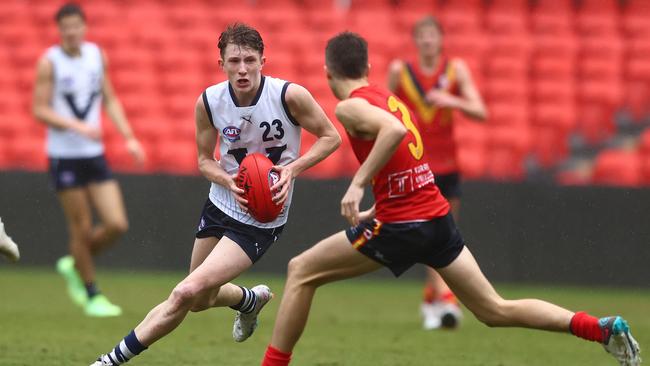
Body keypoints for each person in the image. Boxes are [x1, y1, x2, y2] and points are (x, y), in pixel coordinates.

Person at [260, 32, 641, 366]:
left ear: (327, 73)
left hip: (402, 226)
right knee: (494, 309)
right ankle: (601, 329)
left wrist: (358, 183)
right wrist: (377, 202)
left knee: (300, 271)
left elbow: (391, 132)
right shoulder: (387, 97)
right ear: (369, 66)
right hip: (435, 219)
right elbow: (403, 157)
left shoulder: (350, 106)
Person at [89, 23, 341, 365]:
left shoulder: (288, 96)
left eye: (250, 60)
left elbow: (331, 137)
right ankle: (248, 300)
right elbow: (205, 161)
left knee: (184, 292)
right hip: (220, 204)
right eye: (234, 61)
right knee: (199, 300)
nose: (242, 69)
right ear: (220, 63)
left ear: (263, 61)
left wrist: (292, 169)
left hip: (261, 217)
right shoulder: (210, 102)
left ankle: (109, 361)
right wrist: (228, 181)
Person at [32, 3, 146, 317]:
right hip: (64, 157)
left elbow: (109, 97)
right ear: (59, 30)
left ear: (84, 27)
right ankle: (92, 293)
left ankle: (74, 262)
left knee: (116, 224)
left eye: (76, 25)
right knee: (80, 229)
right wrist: (77, 126)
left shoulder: (97, 55)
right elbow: (39, 109)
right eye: (65, 27)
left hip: (93, 156)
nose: (71, 31)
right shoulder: (49, 63)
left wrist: (129, 138)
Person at [387, 15, 488, 330]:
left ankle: (434, 299)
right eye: (422, 35)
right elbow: (383, 108)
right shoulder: (400, 72)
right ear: (416, 41)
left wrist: (451, 99)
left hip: (448, 166)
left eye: (432, 35)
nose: (428, 40)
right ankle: (445, 301)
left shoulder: (455, 70)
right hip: (415, 166)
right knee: (433, 236)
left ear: (441, 39)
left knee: (446, 235)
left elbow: (480, 112)